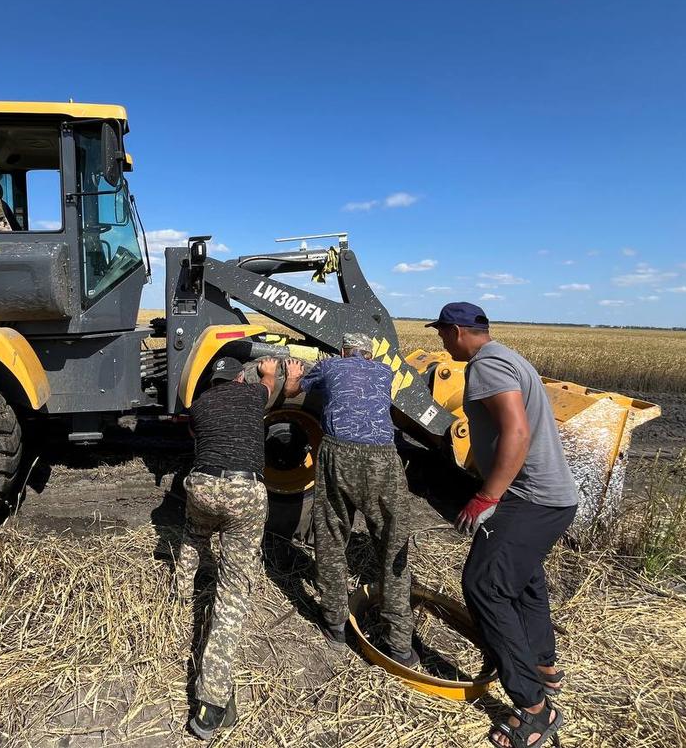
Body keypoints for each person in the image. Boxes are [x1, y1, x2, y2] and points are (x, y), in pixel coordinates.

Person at [428, 302, 578, 748]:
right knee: (525, 580)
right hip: (551, 499)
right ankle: (545, 667)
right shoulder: (508, 357)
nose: (440, 341)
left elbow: (516, 433)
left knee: (484, 586)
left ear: (457, 331)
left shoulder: (487, 367)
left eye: (441, 334)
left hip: (528, 499)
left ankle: (535, 709)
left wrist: (486, 497)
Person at [177, 354, 305, 740]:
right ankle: (212, 703)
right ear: (237, 379)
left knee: (193, 534)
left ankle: (180, 597)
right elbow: (274, 390)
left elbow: (197, 437)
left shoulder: (199, 405)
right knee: (232, 590)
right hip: (243, 490)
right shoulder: (251, 395)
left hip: (201, 485)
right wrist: (275, 374)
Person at [282, 332, 417, 667]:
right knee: (392, 545)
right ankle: (399, 643)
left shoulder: (329, 366)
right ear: (369, 355)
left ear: (343, 351)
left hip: (338, 454)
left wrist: (295, 376)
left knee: (331, 535)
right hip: (384, 458)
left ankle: (334, 623)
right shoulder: (385, 371)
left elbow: (292, 391)